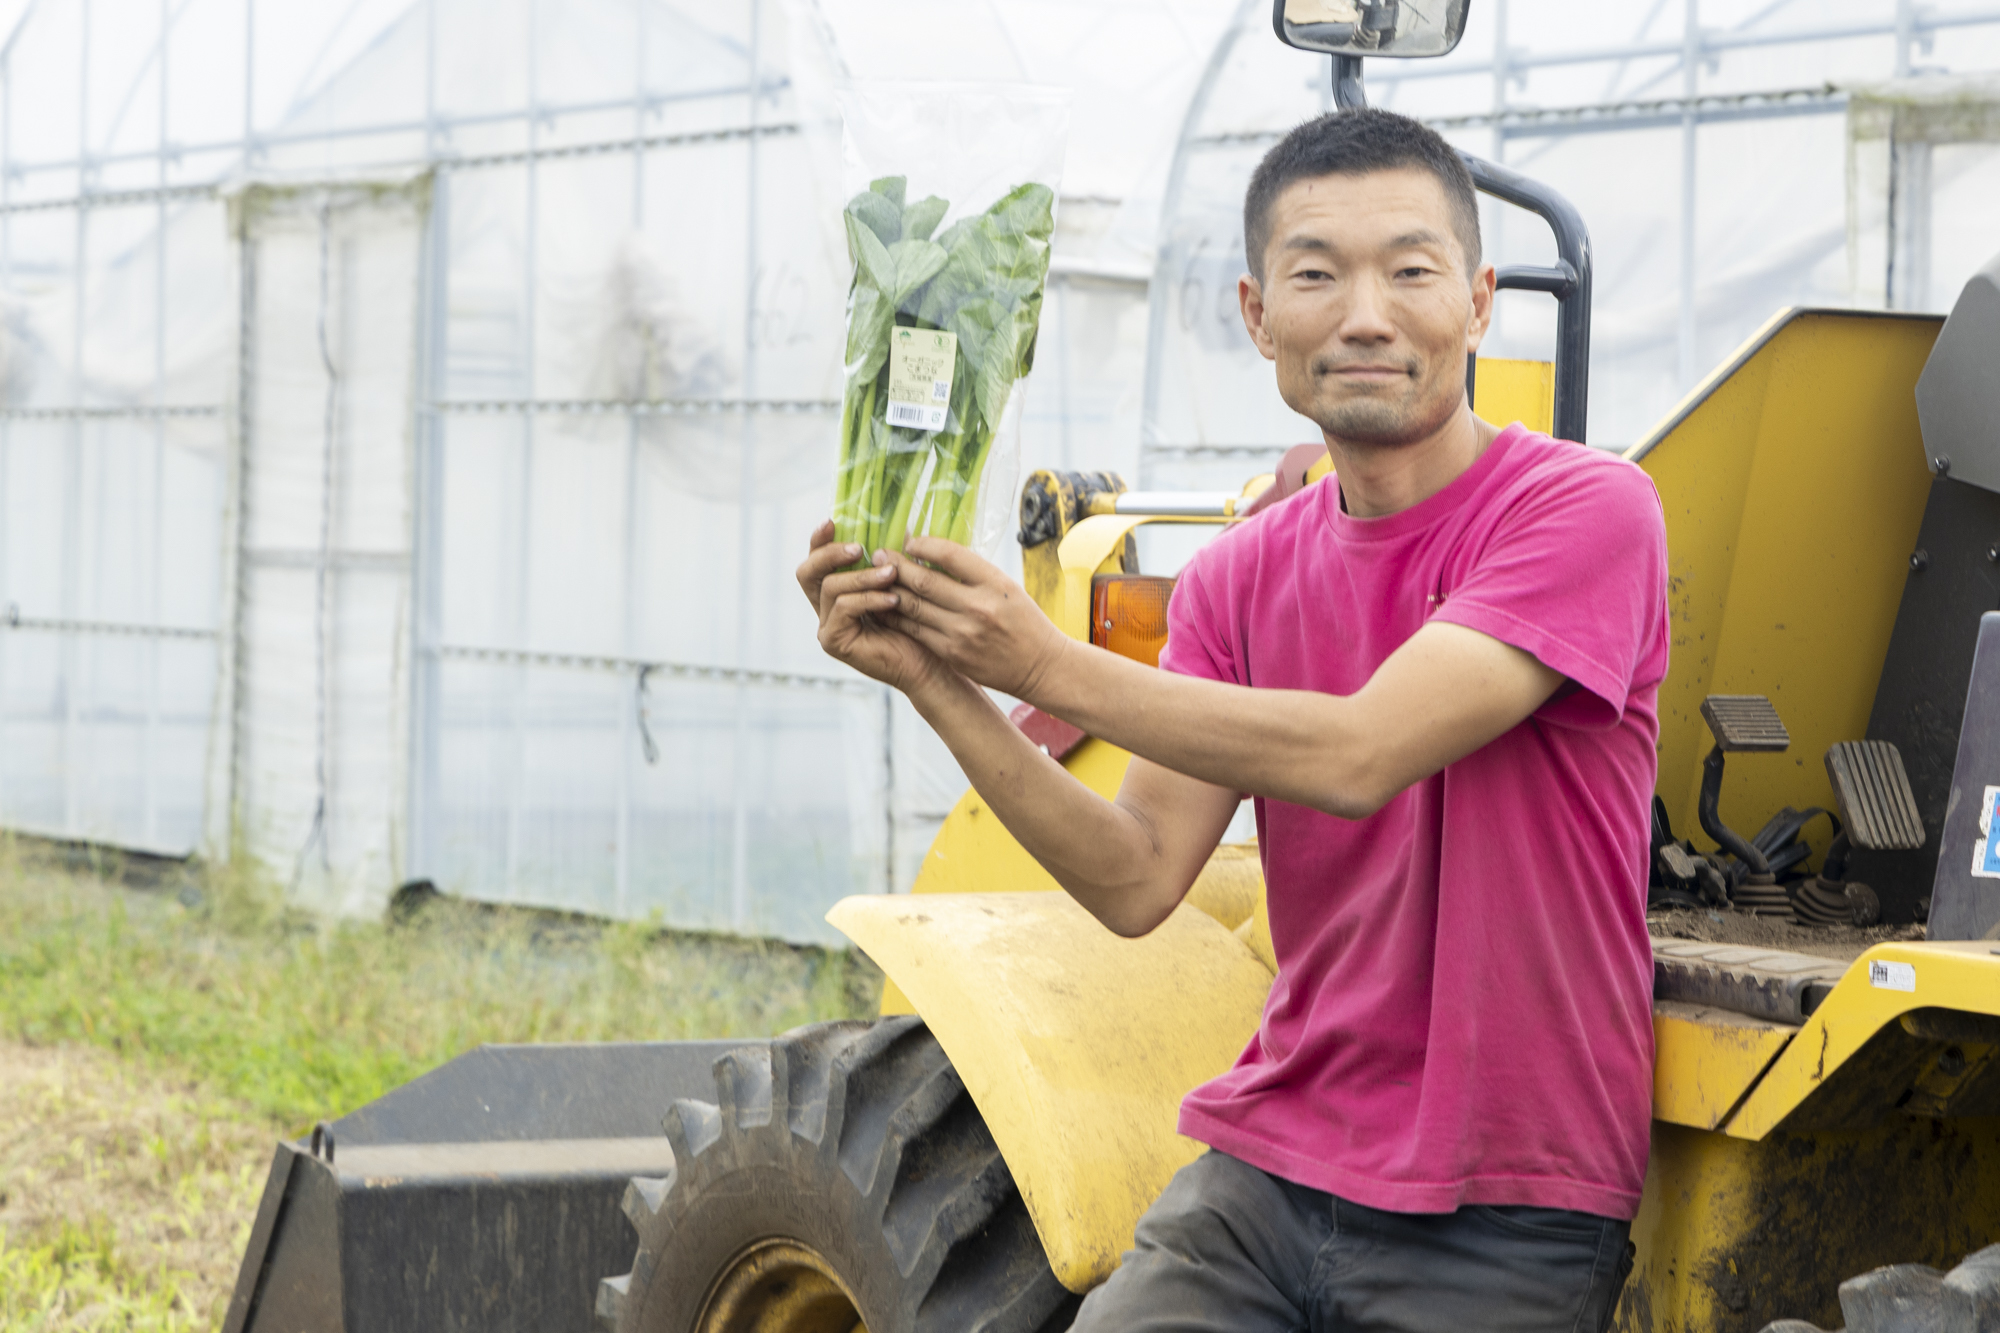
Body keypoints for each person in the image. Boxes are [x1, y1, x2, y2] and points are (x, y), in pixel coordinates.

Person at [797, 106, 1667, 1333]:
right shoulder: (1235, 578)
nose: (1364, 315)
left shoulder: (1583, 511)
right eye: (1315, 275)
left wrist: (1042, 657)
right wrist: (941, 684)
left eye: (1408, 271)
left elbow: (1360, 751)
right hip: (1264, 1178)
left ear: (1476, 303)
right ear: (1258, 317)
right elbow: (1135, 876)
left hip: (1504, 1202)